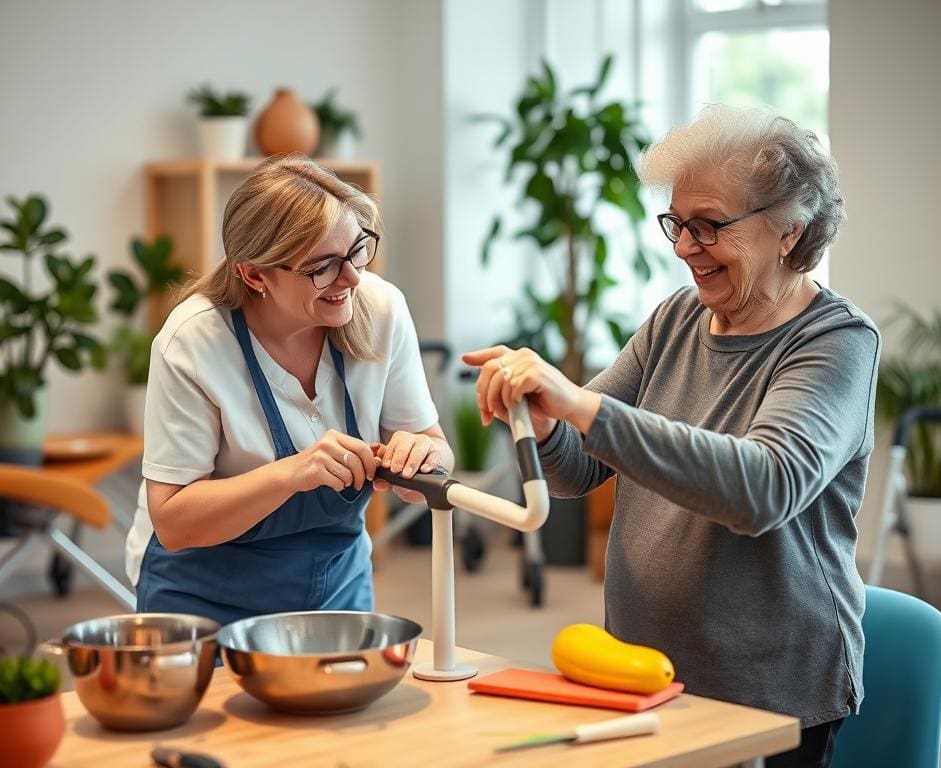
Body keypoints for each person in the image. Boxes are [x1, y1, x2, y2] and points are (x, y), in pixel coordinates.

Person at [465, 105, 880, 768]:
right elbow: (576, 471)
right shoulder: (677, 319)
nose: (684, 247)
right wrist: (546, 423)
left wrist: (582, 406)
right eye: (677, 224)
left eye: (709, 225)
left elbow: (765, 487)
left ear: (789, 231)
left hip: (768, 690)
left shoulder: (834, 344)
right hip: (641, 673)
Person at [126, 155, 452, 627]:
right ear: (255, 274)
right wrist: (294, 472)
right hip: (204, 596)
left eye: (358, 249)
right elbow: (174, 521)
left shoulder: (381, 309)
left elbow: (438, 453)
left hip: (337, 585)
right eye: (322, 266)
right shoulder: (194, 342)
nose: (353, 278)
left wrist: (425, 456)